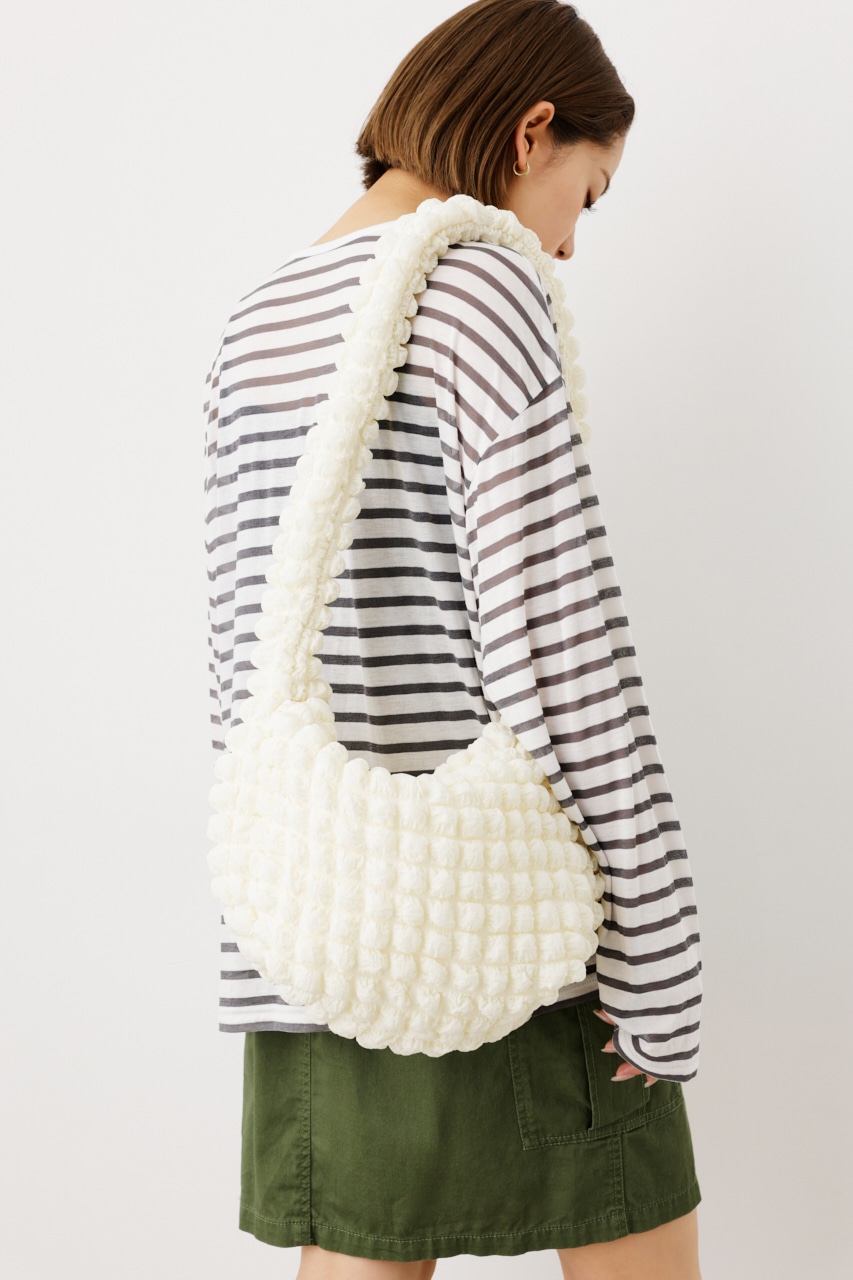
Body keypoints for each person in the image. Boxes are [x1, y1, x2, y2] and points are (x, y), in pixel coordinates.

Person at [202, 2, 704, 1276]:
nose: (569, 241)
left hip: (323, 936)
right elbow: (562, 651)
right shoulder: (477, 281)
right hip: (506, 924)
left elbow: (243, 677)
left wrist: (277, 932)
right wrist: (655, 951)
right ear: (531, 131)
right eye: (587, 192)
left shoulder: (255, 321)